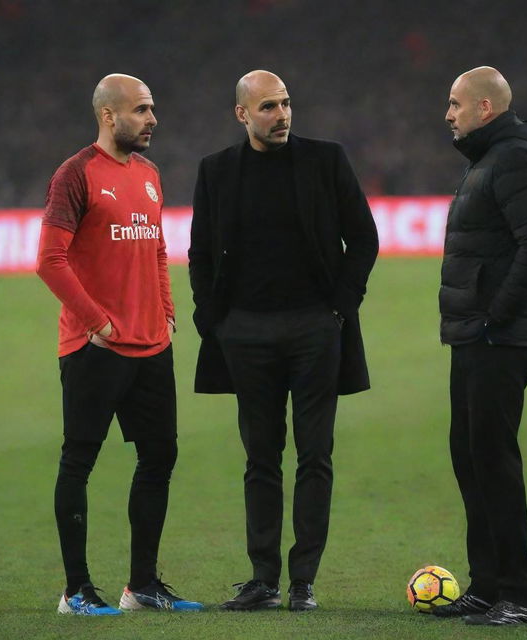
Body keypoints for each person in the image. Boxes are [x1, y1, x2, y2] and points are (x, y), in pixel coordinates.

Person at [189, 70, 378, 611]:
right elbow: (200, 253)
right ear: (242, 114)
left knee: (315, 455)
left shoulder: (326, 159)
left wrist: (341, 308)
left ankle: (303, 582)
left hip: (315, 329)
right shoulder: (217, 171)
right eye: (268, 106)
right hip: (245, 334)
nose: (282, 115)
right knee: (261, 458)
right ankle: (264, 579)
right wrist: (214, 321)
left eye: (287, 104)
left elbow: (363, 236)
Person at [37, 73, 202, 615]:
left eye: (152, 109)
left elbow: (155, 249)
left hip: (152, 345)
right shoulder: (76, 175)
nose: (153, 119)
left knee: (160, 457)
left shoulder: (151, 175)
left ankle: (143, 587)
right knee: (79, 461)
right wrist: (96, 322)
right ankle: (76, 591)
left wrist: (168, 309)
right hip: (96, 349)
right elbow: (49, 261)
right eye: (142, 110)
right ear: (109, 116)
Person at [435, 66, 527, 625]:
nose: (449, 113)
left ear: (485, 108)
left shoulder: (511, 157)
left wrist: (496, 315)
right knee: (470, 453)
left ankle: (520, 593)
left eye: (456, 103)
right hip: (477, 331)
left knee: (492, 457)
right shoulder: (489, 158)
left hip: (499, 335)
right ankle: (487, 584)